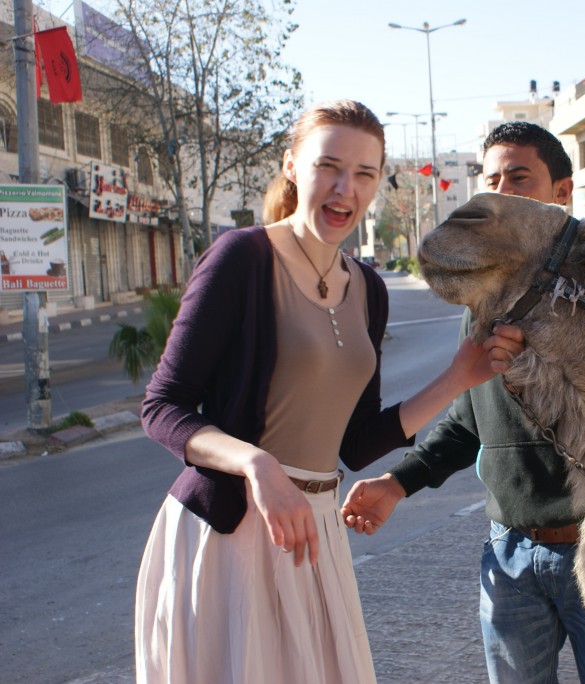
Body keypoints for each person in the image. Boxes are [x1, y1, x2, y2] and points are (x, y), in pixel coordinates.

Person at [134, 99, 521, 684]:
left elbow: (358, 442)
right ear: (293, 166)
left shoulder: (367, 287)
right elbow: (162, 407)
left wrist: (458, 377)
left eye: (364, 173)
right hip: (233, 534)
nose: (345, 189)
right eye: (328, 166)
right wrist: (257, 465)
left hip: (316, 533)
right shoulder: (242, 258)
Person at [342, 121, 585, 683]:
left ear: (562, 192)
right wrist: (395, 484)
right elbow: (466, 423)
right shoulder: (481, 305)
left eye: (518, 178)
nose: (500, 192)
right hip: (510, 556)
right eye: (491, 178)